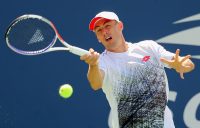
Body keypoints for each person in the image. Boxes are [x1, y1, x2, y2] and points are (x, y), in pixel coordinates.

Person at [80, 11, 195, 128]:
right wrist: (93, 65)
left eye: (107, 26)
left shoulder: (149, 47)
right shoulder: (102, 62)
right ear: (98, 38)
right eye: (99, 30)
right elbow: (95, 83)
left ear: (120, 26)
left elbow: (187, 62)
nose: (104, 32)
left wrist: (181, 65)